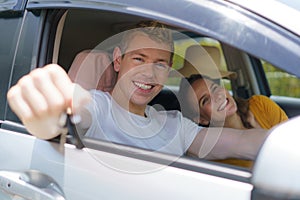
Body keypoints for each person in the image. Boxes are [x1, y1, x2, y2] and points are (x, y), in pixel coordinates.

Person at [7, 20, 269, 162]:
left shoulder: (175, 125)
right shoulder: (97, 107)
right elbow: (69, 112)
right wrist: (46, 116)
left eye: (160, 64)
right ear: (119, 61)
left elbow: (242, 143)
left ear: (168, 71)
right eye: (139, 59)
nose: (149, 73)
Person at [178, 74, 288, 167]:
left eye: (215, 88)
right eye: (205, 100)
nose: (218, 96)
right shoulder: (214, 159)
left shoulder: (260, 105)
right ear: (201, 119)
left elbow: (293, 143)